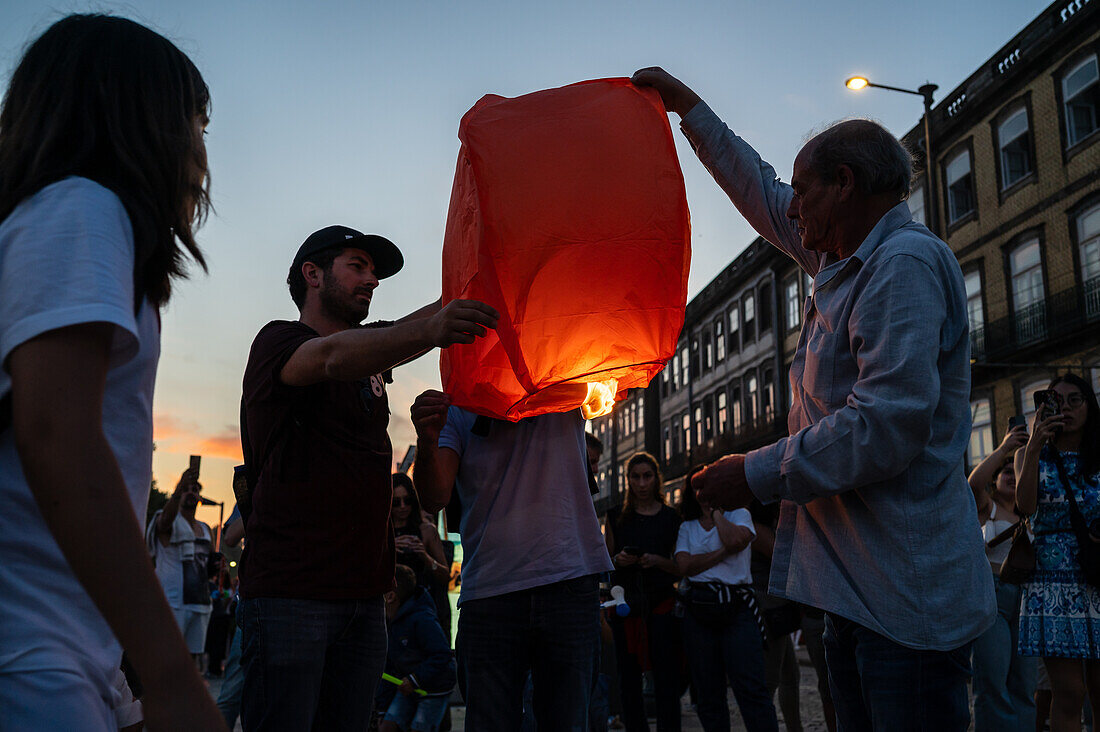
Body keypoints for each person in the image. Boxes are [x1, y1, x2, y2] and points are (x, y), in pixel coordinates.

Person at [632, 67, 995, 729]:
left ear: (844, 184)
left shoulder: (902, 266)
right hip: (855, 600)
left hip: (904, 608)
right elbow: (759, 190)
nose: (792, 209)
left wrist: (754, 472)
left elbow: (885, 427)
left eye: (805, 191)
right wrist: (686, 108)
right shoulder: (838, 261)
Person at [0, 14, 224, 731]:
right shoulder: (84, 209)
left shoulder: (59, 219)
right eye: (194, 124)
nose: (200, 151)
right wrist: (167, 673)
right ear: (137, 119)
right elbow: (55, 435)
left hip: (61, 650)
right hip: (35, 655)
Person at [237, 226, 498, 731]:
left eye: (374, 271)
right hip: (292, 593)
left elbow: (408, 326)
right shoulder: (280, 341)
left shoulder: (371, 357)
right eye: (357, 265)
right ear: (312, 274)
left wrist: (484, 282)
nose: (372, 279)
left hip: (363, 599)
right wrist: (429, 330)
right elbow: (333, 357)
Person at [411, 390, 613, 731]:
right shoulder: (459, 405)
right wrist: (427, 440)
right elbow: (434, 498)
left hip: (566, 583)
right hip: (493, 592)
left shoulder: (568, 380)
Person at [1016, 373, 1100, 732]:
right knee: (1069, 692)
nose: (1064, 408)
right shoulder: (1029, 455)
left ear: (1089, 406)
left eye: (1074, 400)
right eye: (1055, 401)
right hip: (1051, 586)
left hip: (1098, 576)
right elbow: (1024, 506)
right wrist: (1034, 445)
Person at [675, 471, 778, 732]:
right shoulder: (687, 527)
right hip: (699, 610)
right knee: (708, 691)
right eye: (698, 489)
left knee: (751, 688)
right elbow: (685, 566)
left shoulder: (739, 514)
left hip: (738, 608)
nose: (703, 494)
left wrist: (717, 512)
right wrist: (724, 552)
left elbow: (736, 539)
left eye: (707, 487)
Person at [604, 451, 683, 732]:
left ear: (656, 479)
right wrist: (618, 560)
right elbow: (607, 562)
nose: (641, 483)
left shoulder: (671, 518)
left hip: (661, 604)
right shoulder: (616, 517)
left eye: (646, 476)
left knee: (666, 679)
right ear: (628, 481)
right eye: (635, 477)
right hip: (626, 607)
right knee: (628, 680)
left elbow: (681, 566)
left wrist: (658, 561)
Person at [967, 423, 1036, 731]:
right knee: (992, 682)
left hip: (1026, 600)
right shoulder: (988, 507)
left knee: (1024, 686)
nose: (1009, 473)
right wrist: (1005, 448)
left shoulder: (1030, 515)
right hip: (992, 595)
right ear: (996, 481)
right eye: (1003, 471)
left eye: (1013, 470)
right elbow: (974, 483)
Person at [146, 468, 217, 670]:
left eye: (194, 489)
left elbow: (208, 564)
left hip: (200, 603)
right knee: (167, 660)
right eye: (186, 489)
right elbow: (165, 521)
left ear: (200, 497)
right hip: (173, 602)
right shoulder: (168, 520)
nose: (190, 493)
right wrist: (178, 489)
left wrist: (216, 564)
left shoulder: (204, 529)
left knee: (191, 664)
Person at [378, 564, 457, 732]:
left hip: (433, 688)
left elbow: (442, 655)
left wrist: (414, 679)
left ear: (390, 596)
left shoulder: (421, 619)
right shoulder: (390, 621)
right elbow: (389, 667)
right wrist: (382, 709)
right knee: (387, 726)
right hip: (408, 686)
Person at [392, 472, 451, 595]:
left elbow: (445, 576)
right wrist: (389, 549)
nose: (402, 506)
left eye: (407, 500)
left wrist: (425, 557)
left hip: (418, 601)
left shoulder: (427, 531)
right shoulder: (381, 533)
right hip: (388, 601)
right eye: (396, 502)